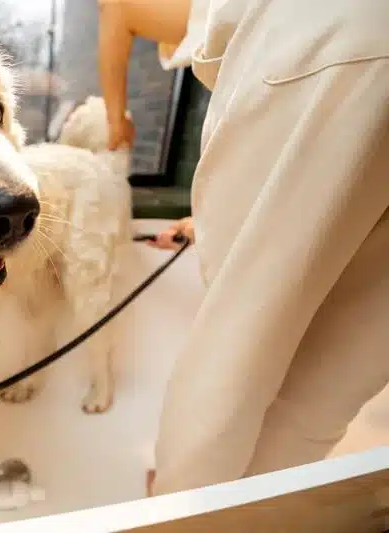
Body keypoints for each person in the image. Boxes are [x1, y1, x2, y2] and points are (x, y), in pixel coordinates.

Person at [98, 0, 389, 495]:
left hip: (338, 47)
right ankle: (253, 514)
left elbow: (116, 11)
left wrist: (114, 122)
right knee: (331, 381)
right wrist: (202, 224)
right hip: (349, 51)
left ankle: (180, 512)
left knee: (235, 348)